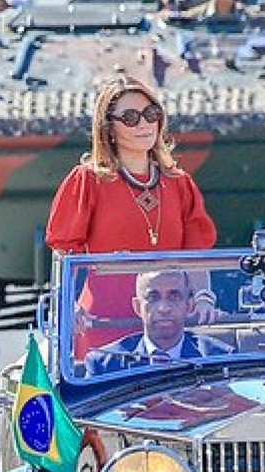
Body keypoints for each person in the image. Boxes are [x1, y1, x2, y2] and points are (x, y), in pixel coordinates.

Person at [46, 76, 220, 350]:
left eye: (151, 114)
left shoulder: (179, 182)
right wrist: (69, 307)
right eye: (130, 117)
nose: (144, 124)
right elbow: (65, 253)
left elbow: (195, 253)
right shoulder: (88, 180)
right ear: (109, 129)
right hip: (104, 323)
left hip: (167, 325)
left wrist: (203, 297)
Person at [84, 271, 231, 376]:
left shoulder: (219, 359)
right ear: (137, 307)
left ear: (189, 306)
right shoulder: (104, 365)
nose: (164, 308)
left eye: (174, 297)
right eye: (153, 297)